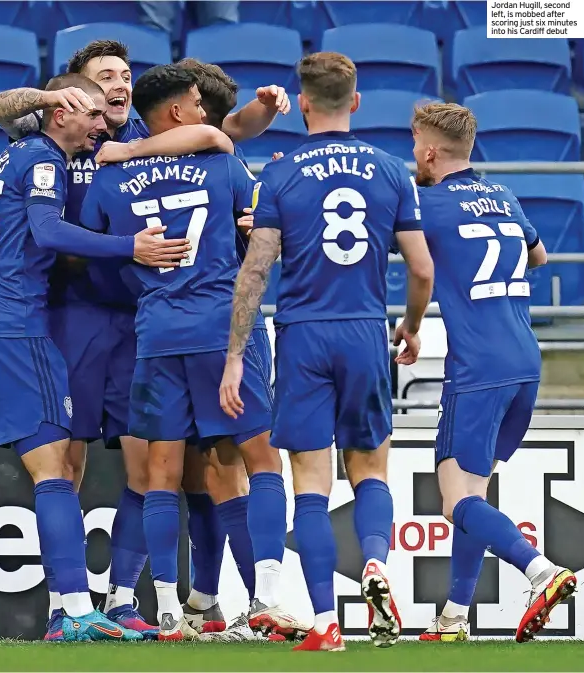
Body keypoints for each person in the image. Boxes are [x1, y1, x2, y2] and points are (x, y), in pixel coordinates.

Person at [0, 40, 290, 640]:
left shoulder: (131, 152)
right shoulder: (59, 140)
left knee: (170, 467)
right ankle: (70, 602)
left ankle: (146, 598)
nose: (117, 87)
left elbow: (219, 132)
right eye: (104, 79)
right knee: (72, 461)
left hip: (145, 320)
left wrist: (261, 113)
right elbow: (2, 107)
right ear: (78, 93)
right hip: (86, 318)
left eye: (125, 76)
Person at [0, 73, 147, 643]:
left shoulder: (11, 155)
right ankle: (76, 609)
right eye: (90, 113)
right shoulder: (45, 160)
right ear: (62, 113)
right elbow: (47, 229)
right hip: (18, 334)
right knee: (55, 477)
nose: (101, 124)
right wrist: (128, 246)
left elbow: (0, 105)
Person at [82, 64, 308, 641]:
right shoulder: (221, 162)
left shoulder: (108, 177)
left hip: (157, 332)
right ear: (178, 112)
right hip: (222, 326)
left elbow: (96, 252)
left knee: (162, 471)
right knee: (258, 460)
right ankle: (266, 597)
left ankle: (165, 610)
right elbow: (261, 228)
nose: (205, 114)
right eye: (195, 104)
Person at [220, 52, 436, 652]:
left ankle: (324, 622)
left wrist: (237, 355)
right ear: (357, 102)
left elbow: (255, 272)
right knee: (370, 470)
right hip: (367, 329)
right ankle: (376, 567)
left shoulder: (281, 173)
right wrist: (411, 327)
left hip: (303, 334)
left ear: (305, 103)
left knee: (309, 485)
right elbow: (421, 267)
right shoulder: (392, 171)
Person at [409, 102, 576, 644]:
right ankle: (454, 616)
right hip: (526, 360)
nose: (414, 153)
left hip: (477, 365)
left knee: (455, 499)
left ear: (430, 151)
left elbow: (398, 255)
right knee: (474, 494)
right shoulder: (503, 195)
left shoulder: (427, 204)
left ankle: (539, 571)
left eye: (415, 143)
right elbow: (540, 256)